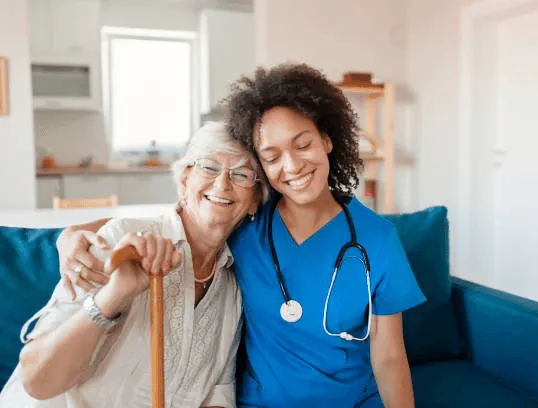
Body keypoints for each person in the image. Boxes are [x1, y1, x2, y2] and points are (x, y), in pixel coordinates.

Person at [55, 63, 426, 408]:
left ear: (327, 140)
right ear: (262, 167)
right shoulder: (247, 225)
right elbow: (170, 219)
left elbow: (389, 355)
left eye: (303, 145)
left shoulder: (378, 239)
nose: (293, 166)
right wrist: (71, 233)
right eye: (272, 155)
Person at [0, 121, 268, 408]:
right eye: (209, 167)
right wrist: (114, 294)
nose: (222, 183)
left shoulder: (233, 287)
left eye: (241, 174)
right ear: (184, 180)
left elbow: (218, 393)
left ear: (254, 200)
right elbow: (37, 381)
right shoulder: (119, 240)